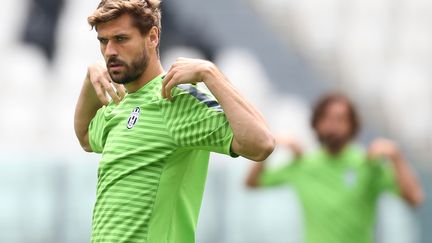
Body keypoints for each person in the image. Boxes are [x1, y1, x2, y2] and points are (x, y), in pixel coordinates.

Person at [73, 0, 275, 242]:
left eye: (121, 39)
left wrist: (211, 74)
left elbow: (261, 143)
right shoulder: (120, 103)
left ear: (153, 37)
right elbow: (85, 136)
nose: (109, 52)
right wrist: (89, 79)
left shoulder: (176, 99)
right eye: (103, 41)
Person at [246, 93, 424, 243]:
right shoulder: (304, 164)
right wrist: (269, 146)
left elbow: (415, 198)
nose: (332, 125)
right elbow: (252, 183)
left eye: (340, 119)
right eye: (327, 118)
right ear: (316, 123)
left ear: (352, 126)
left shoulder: (367, 163)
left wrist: (396, 156)